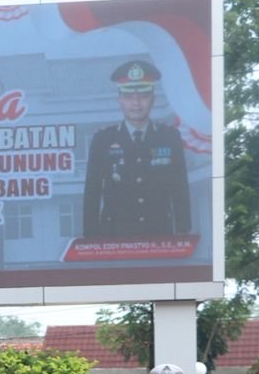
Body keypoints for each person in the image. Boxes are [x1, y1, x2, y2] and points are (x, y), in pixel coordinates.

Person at [81, 59, 192, 239]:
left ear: (153, 99)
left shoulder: (169, 137)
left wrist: (183, 229)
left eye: (143, 96)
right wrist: (90, 236)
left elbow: (180, 188)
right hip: (114, 235)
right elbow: (92, 192)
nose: (136, 103)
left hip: (159, 233)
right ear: (119, 101)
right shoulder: (103, 140)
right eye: (129, 97)